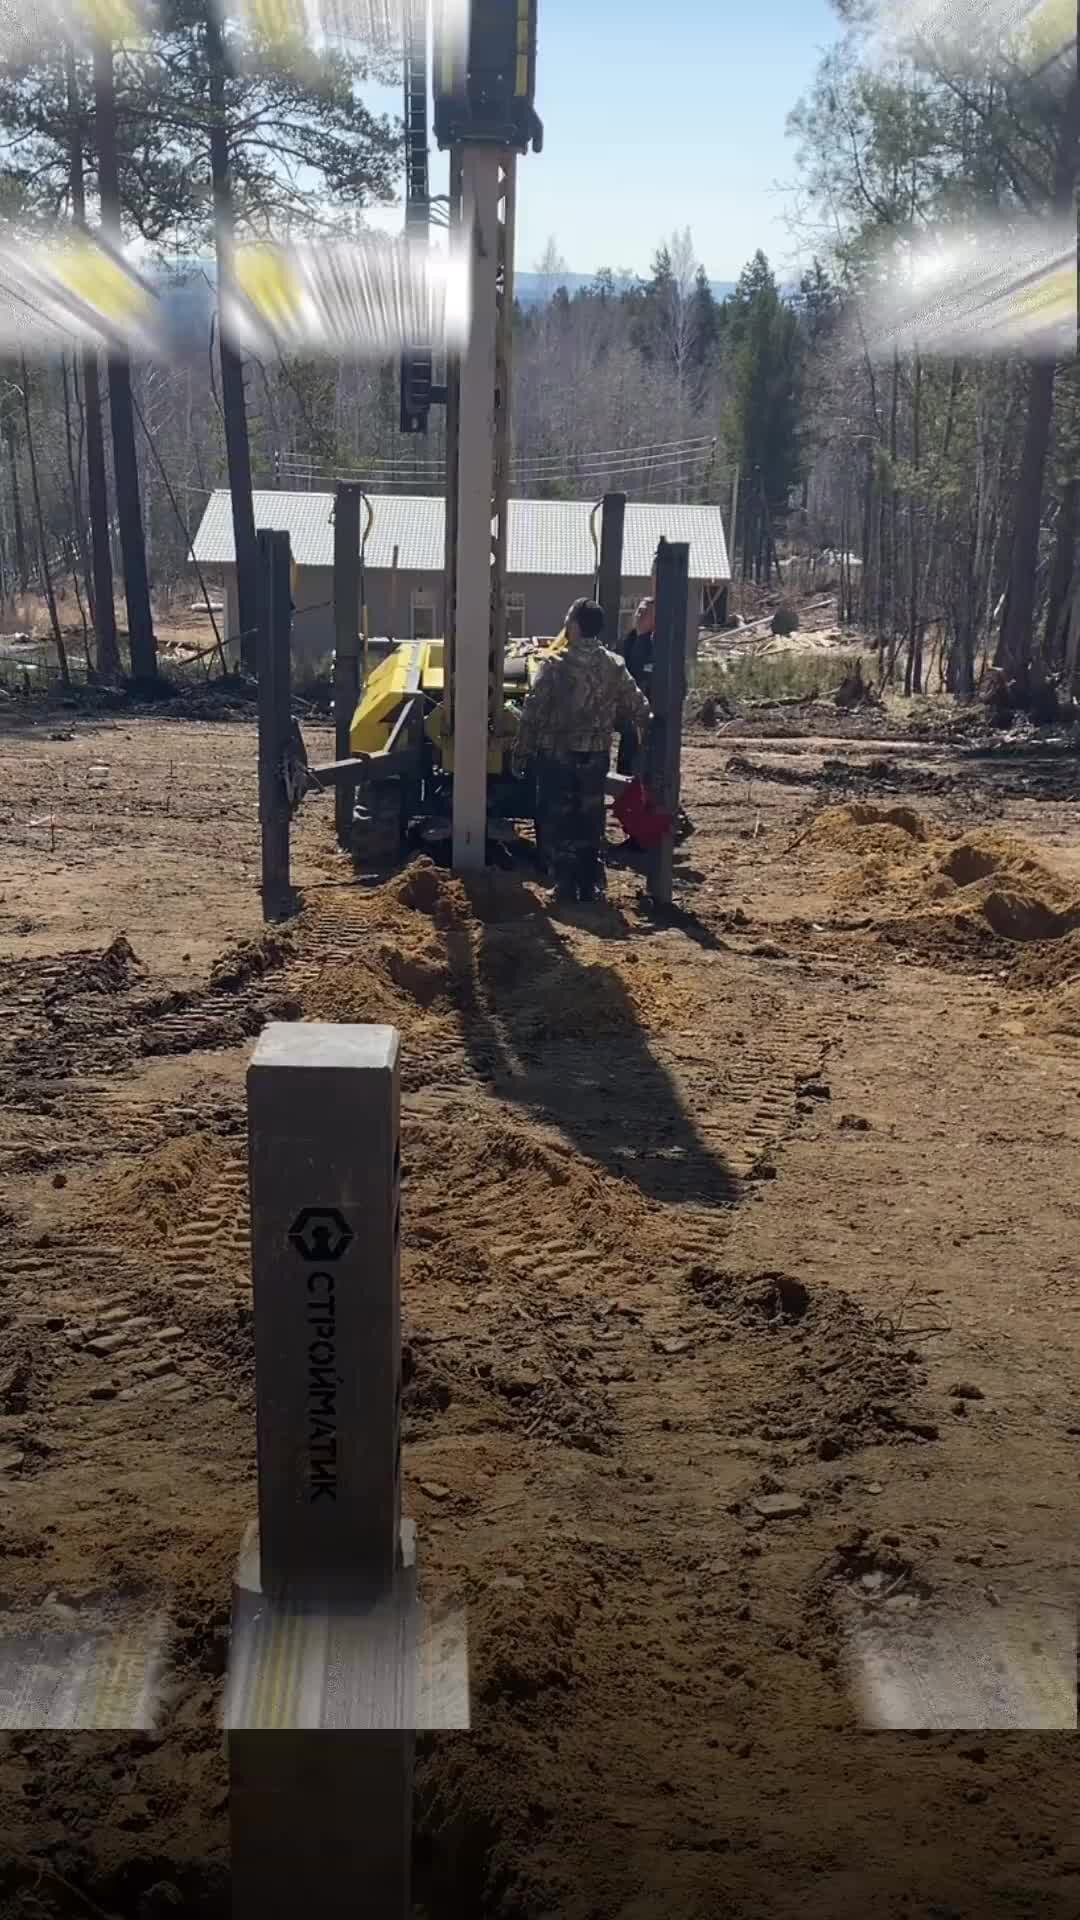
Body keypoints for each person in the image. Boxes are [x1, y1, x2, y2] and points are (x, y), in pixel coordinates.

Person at [513, 597, 651, 904]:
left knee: (558, 819)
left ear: (574, 626)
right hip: (596, 757)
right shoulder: (614, 665)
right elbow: (640, 707)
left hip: (558, 757)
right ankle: (591, 885)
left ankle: (564, 883)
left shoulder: (554, 665)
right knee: (590, 818)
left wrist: (521, 752)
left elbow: (532, 713)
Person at [617, 596, 655, 775]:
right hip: (627, 714)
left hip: (648, 715)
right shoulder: (628, 640)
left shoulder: (659, 645)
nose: (639, 615)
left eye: (645, 612)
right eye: (638, 611)